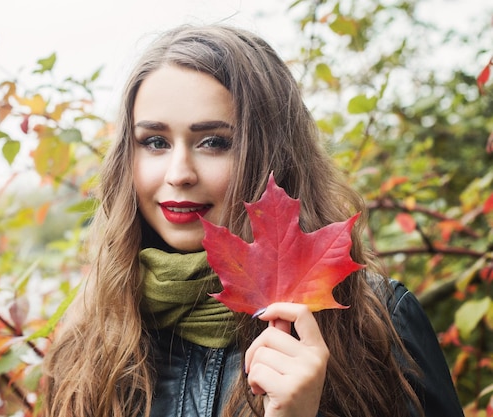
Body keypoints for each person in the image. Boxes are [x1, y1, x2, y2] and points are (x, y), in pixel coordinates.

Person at [42, 24, 464, 417]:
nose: (178, 173)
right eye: (155, 142)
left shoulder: (375, 324)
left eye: (214, 142)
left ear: (271, 154)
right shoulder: (91, 332)